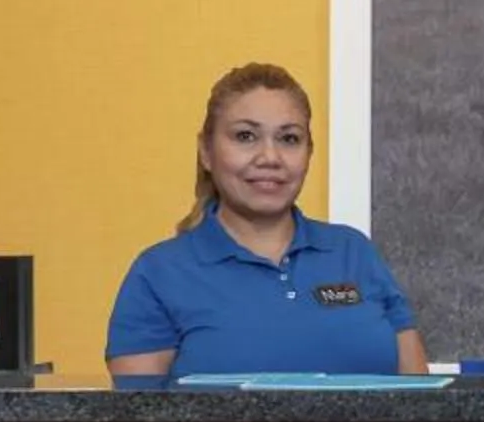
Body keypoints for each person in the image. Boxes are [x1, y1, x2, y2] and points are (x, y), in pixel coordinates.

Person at [105, 62, 430, 377]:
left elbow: (422, 408)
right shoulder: (159, 274)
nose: (270, 158)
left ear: (308, 152)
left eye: (289, 139)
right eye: (246, 136)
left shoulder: (353, 252)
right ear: (206, 151)